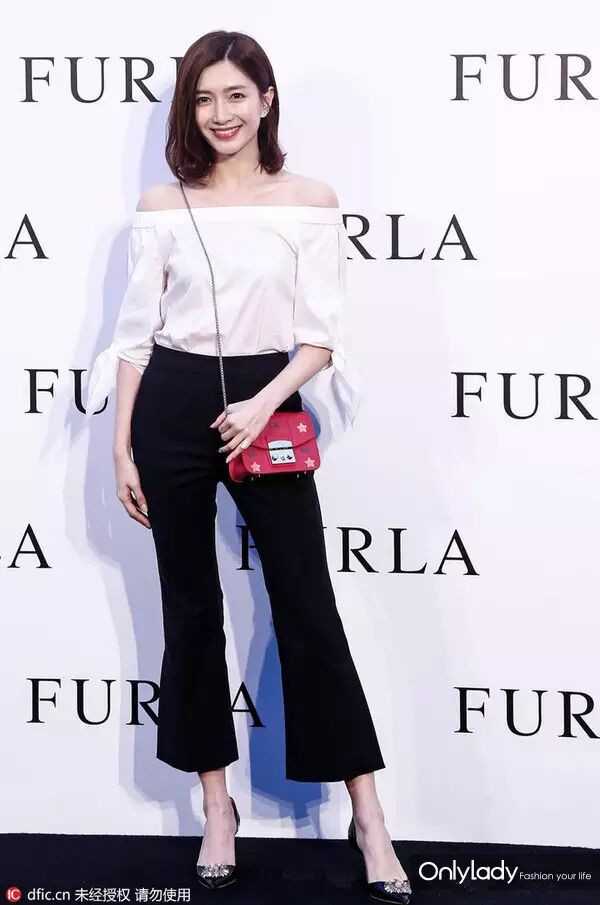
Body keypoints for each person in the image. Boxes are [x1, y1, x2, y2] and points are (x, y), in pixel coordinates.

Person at [84, 29, 412, 904]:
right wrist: (121, 444)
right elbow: (135, 335)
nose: (220, 113)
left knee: (307, 602)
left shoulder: (309, 199)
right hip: (173, 406)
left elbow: (321, 334)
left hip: (268, 400)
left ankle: (369, 817)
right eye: (203, 98)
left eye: (236, 95)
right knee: (191, 609)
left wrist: (264, 403)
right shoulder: (163, 204)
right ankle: (217, 808)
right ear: (189, 110)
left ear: (266, 100)